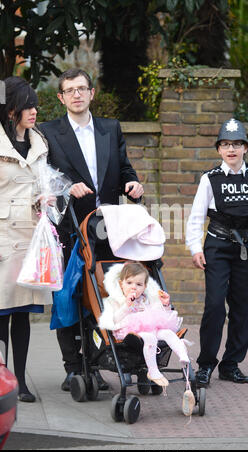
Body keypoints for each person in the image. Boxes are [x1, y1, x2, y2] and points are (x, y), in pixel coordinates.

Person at [39, 68, 144, 392]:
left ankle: (96, 363)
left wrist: (133, 183)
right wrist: (67, 188)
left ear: (92, 93)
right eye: (69, 90)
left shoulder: (110, 129)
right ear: (61, 97)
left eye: (82, 88)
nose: (76, 95)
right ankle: (73, 368)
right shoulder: (49, 132)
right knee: (69, 298)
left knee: (103, 296)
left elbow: (124, 167)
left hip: (109, 231)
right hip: (70, 230)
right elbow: (45, 180)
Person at [186, 118, 248, 387]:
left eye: (237, 144)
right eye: (226, 144)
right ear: (219, 150)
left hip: (246, 249)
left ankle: (231, 364)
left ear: (245, 148)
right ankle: (205, 365)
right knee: (215, 306)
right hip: (216, 246)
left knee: (241, 308)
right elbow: (195, 217)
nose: (231, 149)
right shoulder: (209, 179)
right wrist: (195, 248)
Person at [0, 77, 53, 402]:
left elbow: (43, 186)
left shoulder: (39, 143)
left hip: (30, 239)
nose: (34, 111)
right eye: (28, 106)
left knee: (22, 314)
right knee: (1, 315)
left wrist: (46, 200)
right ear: (12, 109)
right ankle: (3, 380)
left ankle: (20, 380)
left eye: (35, 105)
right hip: (2, 239)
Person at [99, 262, 190, 388]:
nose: (134, 287)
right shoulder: (115, 300)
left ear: (144, 286)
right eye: (129, 283)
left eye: (139, 284)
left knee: (168, 333)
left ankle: (183, 356)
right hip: (131, 331)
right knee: (150, 337)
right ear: (121, 284)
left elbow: (158, 314)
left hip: (152, 327)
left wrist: (165, 304)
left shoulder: (146, 298)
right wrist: (126, 306)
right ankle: (153, 371)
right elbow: (114, 319)